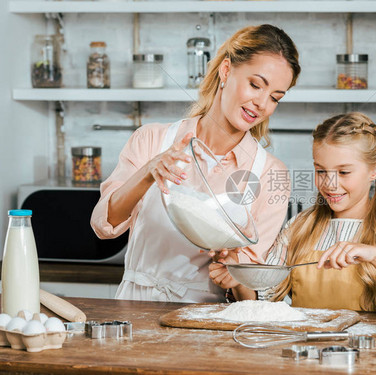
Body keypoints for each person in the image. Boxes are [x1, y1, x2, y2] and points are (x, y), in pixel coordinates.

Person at [90, 24, 301, 303]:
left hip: (205, 322)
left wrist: (233, 273)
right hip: (134, 307)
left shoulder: (271, 173)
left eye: (275, 97)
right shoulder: (153, 139)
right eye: (255, 85)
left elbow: (251, 294)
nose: (262, 103)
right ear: (226, 71)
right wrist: (148, 173)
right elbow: (104, 226)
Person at [210, 112, 376, 318]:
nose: (330, 183)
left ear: (375, 170)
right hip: (304, 353)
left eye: (344, 172)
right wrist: (237, 278)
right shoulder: (299, 226)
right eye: (321, 171)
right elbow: (264, 299)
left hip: (364, 354)